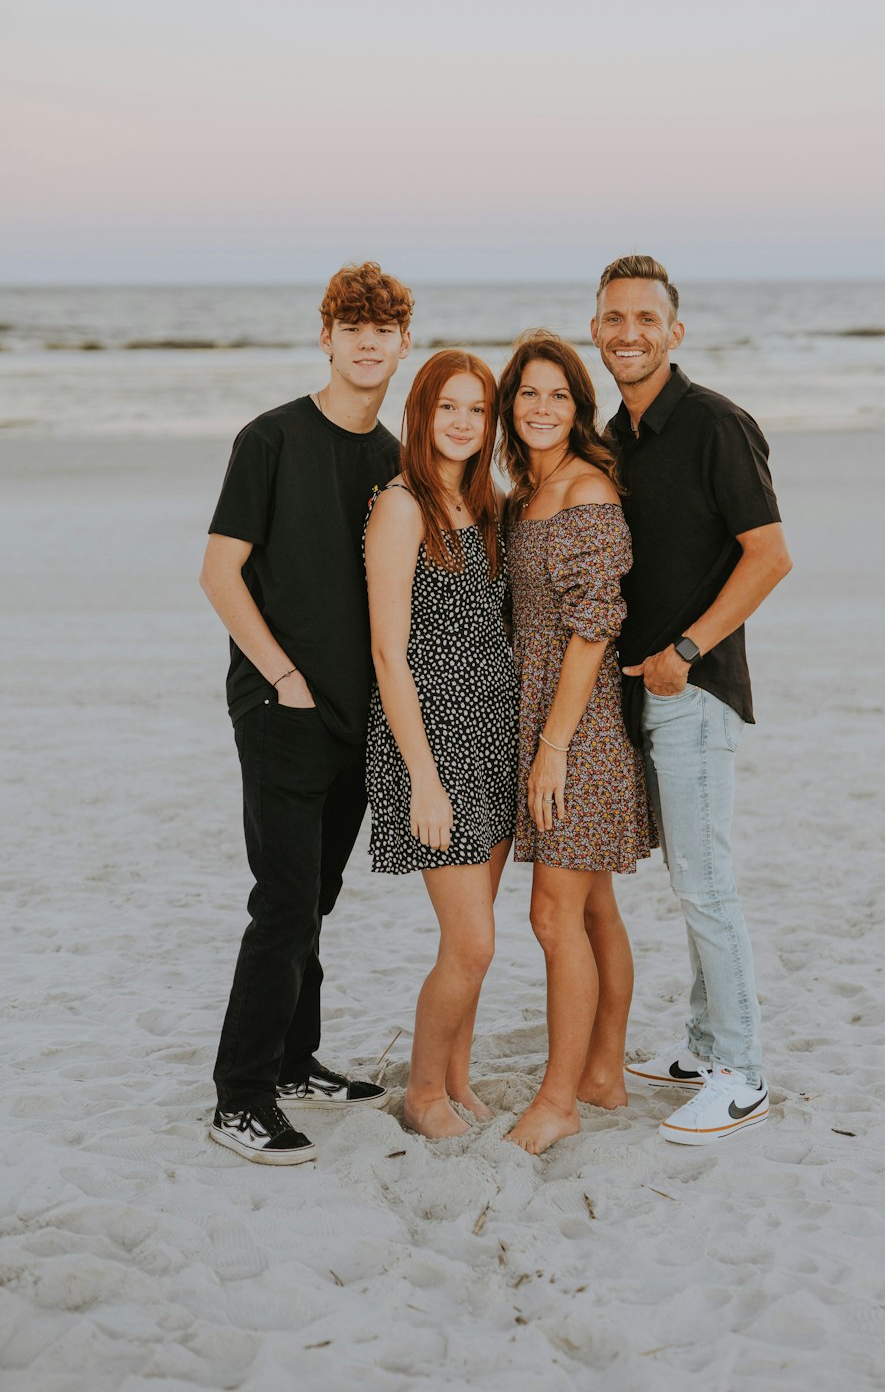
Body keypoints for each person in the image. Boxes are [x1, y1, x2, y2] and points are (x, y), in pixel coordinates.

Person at [200, 262, 413, 1165]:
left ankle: (293, 1060)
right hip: (282, 707)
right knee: (283, 904)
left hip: (358, 715)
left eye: (384, 327)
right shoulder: (272, 439)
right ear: (325, 336)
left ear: (403, 343)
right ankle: (240, 1096)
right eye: (351, 325)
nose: (367, 341)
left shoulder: (394, 458)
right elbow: (220, 571)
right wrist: (282, 676)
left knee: (316, 898)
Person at [593, 254, 793, 1145]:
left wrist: (685, 652)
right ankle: (706, 1045)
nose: (628, 333)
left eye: (646, 318)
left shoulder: (716, 424)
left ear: (675, 331)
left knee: (707, 885)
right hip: (646, 695)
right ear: (595, 330)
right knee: (690, 879)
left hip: (696, 689)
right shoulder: (617, 433)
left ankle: (742, 1073)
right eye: (613, 318)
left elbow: (770, 555)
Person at [498, 330, 654, 1155]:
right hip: (544, 718)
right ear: (509, 404)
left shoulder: (585, 488)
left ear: (578, 407)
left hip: (578, 730)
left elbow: (597, 623)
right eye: (529, 393)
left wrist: (553, 745)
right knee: (593, 909)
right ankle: (602, 1074)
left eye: (559, 394)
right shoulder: (529, 491)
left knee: (554, 918)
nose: (543, 408)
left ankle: (559, 1100)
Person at [364, 349, 517, 1140]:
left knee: (478, 934)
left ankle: (456, 1075)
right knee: (473, 939)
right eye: (447, 407)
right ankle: (424, 1094)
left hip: (493, 735)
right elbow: (389, 652)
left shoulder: (488, 504)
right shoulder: (401, 507)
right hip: (434, 744)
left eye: (478, 409)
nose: (463, 423)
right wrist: (423, 777)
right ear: (421, 414)